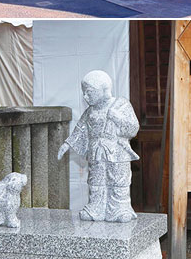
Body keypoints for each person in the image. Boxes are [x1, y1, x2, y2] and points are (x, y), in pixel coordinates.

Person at [58, 70, 139, 222]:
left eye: (89, 92)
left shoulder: (121, 105)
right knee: (96, 180)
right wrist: (67, 143)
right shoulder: (90, 111)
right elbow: (80, 129)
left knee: (118, 180)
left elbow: (133, 128)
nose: (85, 97)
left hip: (117, 152)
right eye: (84, 93)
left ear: (103, 89)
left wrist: (119, 118)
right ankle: (96, 207)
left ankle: (120, 209)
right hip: (96, 152)